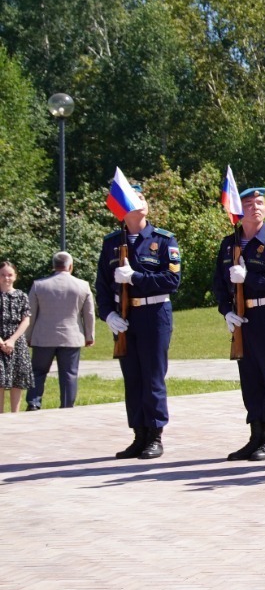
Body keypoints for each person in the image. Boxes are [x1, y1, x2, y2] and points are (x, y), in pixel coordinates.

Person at [95, 189, 181, 458]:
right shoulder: (111, 243)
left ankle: (155, 435)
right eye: (134, 199)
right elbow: (102, 286)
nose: (141, 202)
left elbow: (172, 281)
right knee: (132, 378)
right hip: (124, 319)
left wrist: (135, 277)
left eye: (142, 198)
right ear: (122, 210)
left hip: (154, 314)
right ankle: (139, 435)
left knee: (153, 377)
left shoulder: (163, 240)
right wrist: (108, 315)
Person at [213, 188, 265, 461]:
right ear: (238, 211)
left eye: (260, 203)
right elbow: (218, 285)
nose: (255, 208)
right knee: (249, 377)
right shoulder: (228, 244)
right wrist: (226, 311)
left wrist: (248, 278)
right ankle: (255, 435)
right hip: (241, 319)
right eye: (248, 204)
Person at [25, 252, 95, 411]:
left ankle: (34, 403)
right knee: (69, 374)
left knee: (38, 372)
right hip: (71, 336)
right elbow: (89, 314)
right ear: (70, 266)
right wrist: (89, 336)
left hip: (43, 337)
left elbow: (31, 313)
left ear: (54, 266)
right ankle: (67, 405)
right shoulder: (82, 285)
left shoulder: (39, 285)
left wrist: (28, 336)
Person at [0, 261, 32, 413]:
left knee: (17, 380)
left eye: (10, 275)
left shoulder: (21, 296)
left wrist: (12, 340)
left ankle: (15, 415)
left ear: (15, 276)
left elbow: (26, 319)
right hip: (0, 341)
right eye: (3, 275)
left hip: (16, 342)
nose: (6, 278)